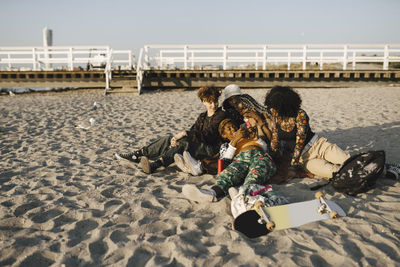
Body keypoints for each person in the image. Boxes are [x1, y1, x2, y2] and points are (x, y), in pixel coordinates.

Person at [115, 86, 227, 174]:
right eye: (210, 102)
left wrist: (184, 134)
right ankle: (137, 155)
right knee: (168, 139)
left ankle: (156, 165)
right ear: (203, 101)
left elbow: (209, 135)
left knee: (184, 143)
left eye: (215, 101)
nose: (214, 105)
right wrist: (176, 140)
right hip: (199, 145)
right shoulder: (202, 116)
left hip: (211, 149)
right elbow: (194, 131)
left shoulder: (220, 115)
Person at [264, 86, 350, 179]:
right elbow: (275, 139)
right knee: (334, 172)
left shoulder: (300, 114)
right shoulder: (276, 116)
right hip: (305, 159)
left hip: (319, 146)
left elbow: (299, 143)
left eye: (275, 107)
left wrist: (293, 168)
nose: (272, 110)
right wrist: (270, 158)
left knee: (348, 161)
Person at [182, 117, 276, 203]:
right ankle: (212, 193)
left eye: (234, 127)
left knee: (254, 177)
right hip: (241, 159)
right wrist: (235, 140)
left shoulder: (248, 137)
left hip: (259, 155)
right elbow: (226, 159)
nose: (233, 129)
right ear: (224, 135)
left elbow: (265, 148)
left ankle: (243, 195)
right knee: (227, 175)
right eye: (229, 129)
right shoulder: (226, 146)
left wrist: (255, 138)